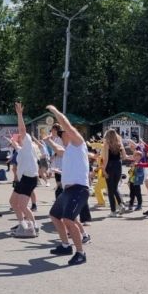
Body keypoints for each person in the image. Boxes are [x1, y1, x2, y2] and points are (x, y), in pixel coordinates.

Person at [47, 105, 90, 266]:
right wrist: (49, 140)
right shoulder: (68, 150)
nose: (59, 134)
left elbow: (67, 125)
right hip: (68, 190)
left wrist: (55, 112)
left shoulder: (78, 143)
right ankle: (66, 246)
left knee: (68, 219)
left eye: (60, 132)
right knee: (54, 215)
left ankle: (81, 253)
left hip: (79, 189)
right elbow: (57, 149)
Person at [7, 102, 39, 237]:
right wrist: (12, 142)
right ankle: (22, 224)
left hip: (29, 179)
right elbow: (16, 146)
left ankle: (34, 226)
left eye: (19, 137)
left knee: (22, 205)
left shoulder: (27, 143)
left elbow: (22, 130)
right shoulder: (21, 149)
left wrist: (19, 114)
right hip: (23, 179)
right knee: (13, 202)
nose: (18, 137)